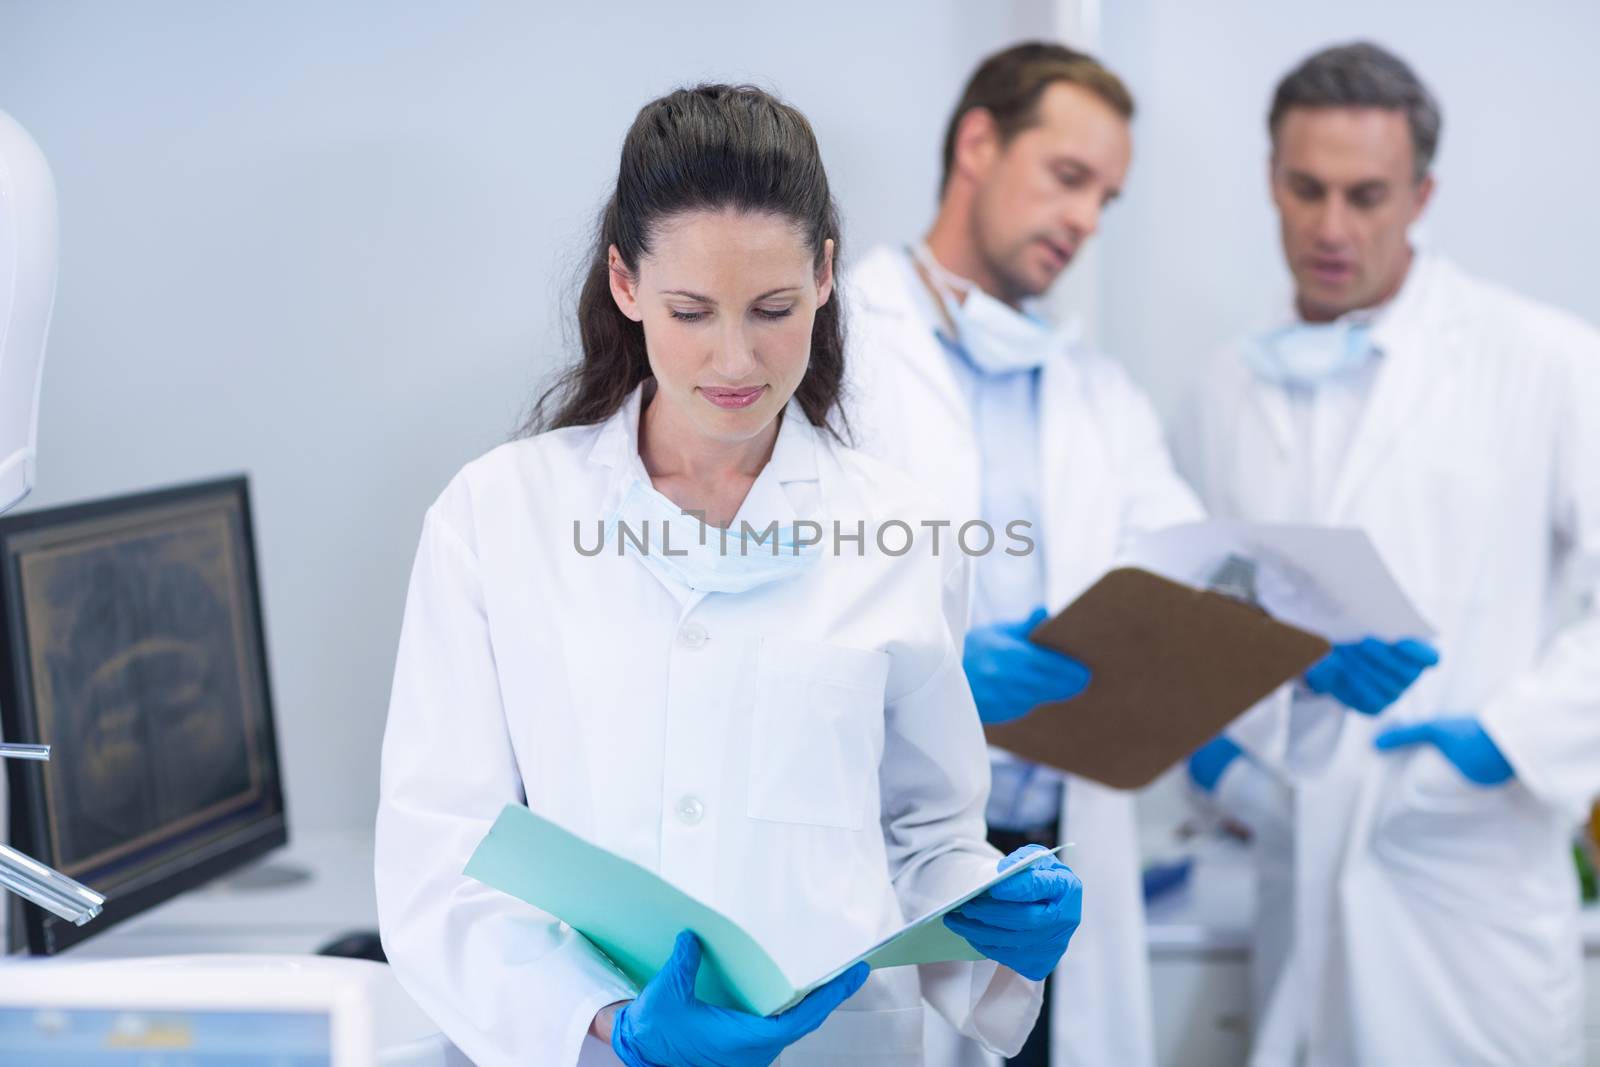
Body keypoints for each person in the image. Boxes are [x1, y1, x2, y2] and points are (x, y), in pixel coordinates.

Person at [374, 84, 1082, 1067]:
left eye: (773, 308)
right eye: (691, 311)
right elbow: (439, 851)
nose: (735, 358)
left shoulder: (901, 530)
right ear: (624, 283)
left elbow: (923, 834)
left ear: (826, 275)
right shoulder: (496, 516)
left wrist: (998, 912)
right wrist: (604, 1029)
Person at [1176, 42, 1600, 1066]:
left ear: (1421, 195)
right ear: (1270, 178)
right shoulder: (1222, 389)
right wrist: (1218, 757)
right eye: (1305, 189)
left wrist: (1504, 738)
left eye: (1366, 195)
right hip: (1295, 861)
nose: (1331, 229)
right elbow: (1197, 603)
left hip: (1466, 870)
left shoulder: (1541, 359)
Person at [843, 42, 1200, 1067]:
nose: (1086, 219)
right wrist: (942, 680)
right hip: (887, 857)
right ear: (977, 143)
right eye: (1068, 176)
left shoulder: (1097, 392)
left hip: (1048, 870)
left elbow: (1181, 571)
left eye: (1107, 197)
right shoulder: (835, 354)